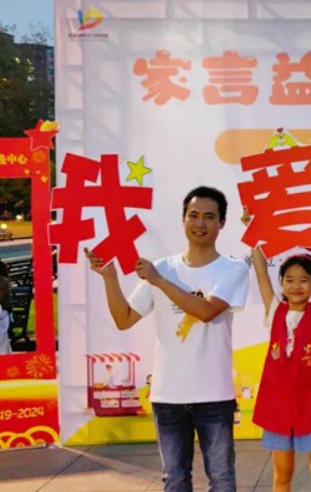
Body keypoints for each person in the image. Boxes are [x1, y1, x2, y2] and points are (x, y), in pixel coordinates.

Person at [84, 186, 249, 492]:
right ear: (183, 220)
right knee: (174, 479)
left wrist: (159, 281)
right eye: (193, 215)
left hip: (214, 394)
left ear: (222, 223)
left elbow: (207, 311)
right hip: (168, 395)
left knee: (222, 479)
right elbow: (124, 319)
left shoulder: (233, 268)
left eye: (209, 217)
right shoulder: (162, 267)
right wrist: (110, 277)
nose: (200, 223)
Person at [243, 206, 311, 492]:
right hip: (279, 408)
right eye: (289, 280)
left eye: (304, 280)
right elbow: (260, 270)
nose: (296, 286)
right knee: (281, 476)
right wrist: (251, 231)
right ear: (281, 284)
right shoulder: (275, 310)